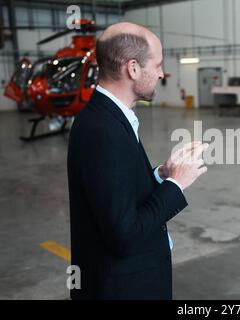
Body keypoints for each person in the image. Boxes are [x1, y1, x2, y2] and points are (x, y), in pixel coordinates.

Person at [67, 22, 207, 299]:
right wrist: (176, 185)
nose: (161, 73)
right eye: (157, 65)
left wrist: (161, 174)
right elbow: (125, 235)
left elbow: (117, 193)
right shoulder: (102, 130)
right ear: (132, 68)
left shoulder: (111, 118)